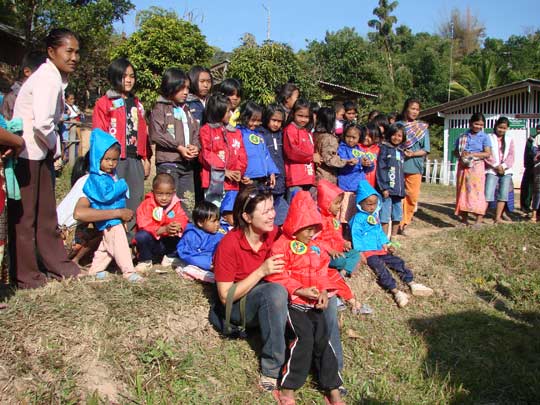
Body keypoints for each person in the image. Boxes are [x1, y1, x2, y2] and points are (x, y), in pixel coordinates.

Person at [9, 28, 80, 289]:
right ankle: (27, 276)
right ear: (51, 52)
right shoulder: (47, 79)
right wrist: (56, 147)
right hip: (28, 154)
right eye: (68, 51)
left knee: (46, 214)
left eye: (77, 52)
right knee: (26, 218)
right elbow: (42, 124)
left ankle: (57, 265)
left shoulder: (53, 78)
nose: (74, 57)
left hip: (37, 154)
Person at [266, 191, 344, 405]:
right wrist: (299, 290)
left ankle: (332, 388)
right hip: (294, 305)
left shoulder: (314, 248)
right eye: (308, 229)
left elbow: (323, 272)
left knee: (324, 340)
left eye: (315, 229)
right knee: (304, 339)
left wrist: (324, 291)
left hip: (313, 305)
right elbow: (276, 274)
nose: (312, 234)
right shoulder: (281, 245)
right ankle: (288, 387)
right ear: (296, 225)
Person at [212, 185, 287, 392]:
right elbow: (225, 297)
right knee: (275, 292)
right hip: (238, 306)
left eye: (272, 208)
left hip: (264, 298)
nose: (272, 215)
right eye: (265, 211)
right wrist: (261, 271)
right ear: (247, 217)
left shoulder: (272, 234)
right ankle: (271, 369)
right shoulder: (229, 245)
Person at [92, 57, 152, 239]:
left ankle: (130, 243)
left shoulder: (137, 104)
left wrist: (146, 158)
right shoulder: (104, 103)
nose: (129, 80)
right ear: (115, 77)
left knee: (134, 201)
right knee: (113, 202)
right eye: (124, 76)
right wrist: (103, 161)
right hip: (114, 160)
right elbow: (98, 134)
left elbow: (143, 133)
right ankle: (110, 242)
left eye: (132, 76)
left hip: (134, 159)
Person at [350, 180, 433, 307]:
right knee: (380, 269)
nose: (372, 207)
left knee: (397, 262)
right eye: (369, 204)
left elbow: (379, 232)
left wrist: (387, 244)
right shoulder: (358, 219)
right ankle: (396, 291)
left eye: (375, 203)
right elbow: (356, 236)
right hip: (369, 252)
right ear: (360, 203)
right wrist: (360, 252)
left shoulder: (375, 216)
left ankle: (411, 283)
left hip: (380, 249)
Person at [82, 129, 142, 282]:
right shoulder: (97, 177)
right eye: (107, 159)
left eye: (114, 160)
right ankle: (128, 271)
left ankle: (95, 271)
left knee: (107, 244)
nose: (111, 163)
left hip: (114, 217)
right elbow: (106, 195)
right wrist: (122, 184)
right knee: (120, 244)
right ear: (97, 158)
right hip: (109, 218)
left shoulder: (109, 175)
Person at [149, 68, 200, 216]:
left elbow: (195, 132)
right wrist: (178, 147)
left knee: (188, 203)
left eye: (187, 88)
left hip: (187, 165)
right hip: (169, 163)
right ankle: (167, 229)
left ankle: (186, 229)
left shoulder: (187, 110)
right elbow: (156, 134)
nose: (186, 92)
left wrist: (195, 147)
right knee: (168, 203)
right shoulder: (160, 108)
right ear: (171, 86)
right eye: (181, 88)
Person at [198, 93, 247, 206]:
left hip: (232, 183)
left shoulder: (235, 132)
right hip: (214, 182)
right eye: (228, 111)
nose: (230, 114)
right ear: (218, 111)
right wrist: (224, 171)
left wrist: (239, 171)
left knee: (230, 213)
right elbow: (206, 154)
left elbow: (242, 154)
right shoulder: (206, 130)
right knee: (213, 212)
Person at [134, 173, 188, 271]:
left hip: (167, 241)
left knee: (187, 229)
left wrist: (177, 226)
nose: (164, 198)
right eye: (159, 194)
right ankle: (145, 260)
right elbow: (144, 225)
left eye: (168, 194)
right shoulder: (147, 204)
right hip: (152, 243)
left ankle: (170, 257)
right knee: (141, 236)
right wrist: (163, 229)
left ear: (173, 192)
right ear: (153, 192)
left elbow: (182, 217)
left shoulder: (175, 204)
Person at [397, 98, 430, 235]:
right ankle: (396, 222)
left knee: (411, 196)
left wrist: (413, 154)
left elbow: (425, 149)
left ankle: (405, 223)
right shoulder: (397, 125)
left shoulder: (422, 128)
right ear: (406, 109)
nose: (415, 112)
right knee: (398, 196)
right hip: (398, 165)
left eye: (417, 109)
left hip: (414, 166)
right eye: (412, 108)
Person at [316, 179, 361, 277]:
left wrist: (344, 243)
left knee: (355, 253)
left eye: (340, 203)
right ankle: (344, 268)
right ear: (325, 202)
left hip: (338, 251)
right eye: (336, 203)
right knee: (339, 261)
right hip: (325, 254)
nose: (339, 206)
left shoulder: (334, 219)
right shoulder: (319, 220)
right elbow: (316, 240)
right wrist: (330, 250)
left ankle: (344, 272)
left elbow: (336, 236)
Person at [454, 112, 492, 226]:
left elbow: (487, 153)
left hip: (477, 167)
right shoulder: (463, 136)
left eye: (481, 125)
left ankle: (478, 220)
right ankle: (464, 220)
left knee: (477, 192)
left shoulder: (485, 137)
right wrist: (461, 154)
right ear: (470, 123)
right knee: (463, 192)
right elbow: (455, 151)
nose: (478, 127)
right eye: (476, 124)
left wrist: (473, 154)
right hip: (463, 167)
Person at [176, 201, 226, 275]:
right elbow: (187, 254)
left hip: (219, 261)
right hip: (204, 263)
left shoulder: (220, 232)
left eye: (218, 220)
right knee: (190, 270)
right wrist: (208, 264)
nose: (218, 224)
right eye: (214, 221)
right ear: (200, 223)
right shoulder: (193, 235)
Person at [237, 101, 279, 187]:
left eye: (258, 121)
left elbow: (266, 155)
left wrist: (271, 172)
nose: (256, 123)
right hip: (246, 178)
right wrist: (241, 174)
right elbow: (235, 156)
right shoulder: (238, 133)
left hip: (261, 178)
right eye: (253, 120)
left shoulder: (259, 135)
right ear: (244, 117)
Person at [337, 123, 372, 223]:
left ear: (359, 138)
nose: (351, 140)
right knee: (345, 215)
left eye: (354, 137)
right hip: (346, 187)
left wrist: (368, 164)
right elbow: (343, 166)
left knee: (356, 215)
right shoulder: (341, 149)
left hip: (358, 188)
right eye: (348, 136)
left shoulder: (360, 150)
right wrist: (358, 163)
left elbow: (368, 169)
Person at [261, 104, 289, 225]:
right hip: (266, 182)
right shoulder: (260, 134)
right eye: (274, 120)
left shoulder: (282, 134)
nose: (276, 124)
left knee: (282, 215)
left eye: (279, 121)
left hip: (281, 181)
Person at [283, 98, 316, 202]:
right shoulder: (290, 130)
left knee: (308, 208)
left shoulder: (307, 131)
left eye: (306, 117)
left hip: (308, 177)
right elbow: (292, 152)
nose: (303, 119)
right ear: (293, 114)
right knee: (295, 207)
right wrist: (311, 157)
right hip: (296, 178)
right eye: (300, 115)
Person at [377, 124, 406, 237]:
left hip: (398, 191)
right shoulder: (384, 149)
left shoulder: (401, 151)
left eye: (399, 136)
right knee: (385, 215)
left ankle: (394, 238)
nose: (396, 138)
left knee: (397, 215)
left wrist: (403, 188)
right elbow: (381, 168)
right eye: (394, 135)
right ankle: (384, 239)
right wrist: (384, 187)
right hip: (387, 190)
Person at [485, 117, 515, 224]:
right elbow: (487, 154)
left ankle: (497, 218)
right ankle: (480, 216)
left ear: (507, 128)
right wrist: (495, 166)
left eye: (504, 128)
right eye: (500, 127)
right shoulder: (488, 137)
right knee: (488, 193)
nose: (501, 130)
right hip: (492, 170)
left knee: (503, 194)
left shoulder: (509, 139)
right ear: (495, 126)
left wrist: (503, 166)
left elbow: (511, 155)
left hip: (506, 171)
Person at [2, 51, 46, 121]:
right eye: (44, 74)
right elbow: (5, 124)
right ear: (27, 72)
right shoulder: (11, 98)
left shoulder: (43, 95)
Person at [314, 106, 349, 184]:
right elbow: (330, 160)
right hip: (326, 178)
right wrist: (346, 162)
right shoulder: (329, 138)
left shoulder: (314, 134)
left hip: (315, 175)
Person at [521, 125, 539, 215]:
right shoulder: (531, 140)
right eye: (538, 129)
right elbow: (527, 153)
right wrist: (527, 165)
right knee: (528, 188)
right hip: (531, 167)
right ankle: (526, 207)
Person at [358, 123, 380, 188]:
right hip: (358, 184)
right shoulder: (356, 147)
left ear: (376, 138)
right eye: (364, 134)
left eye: (370, 136)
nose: (366, 137)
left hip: (372, 185)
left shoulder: (378, 150)